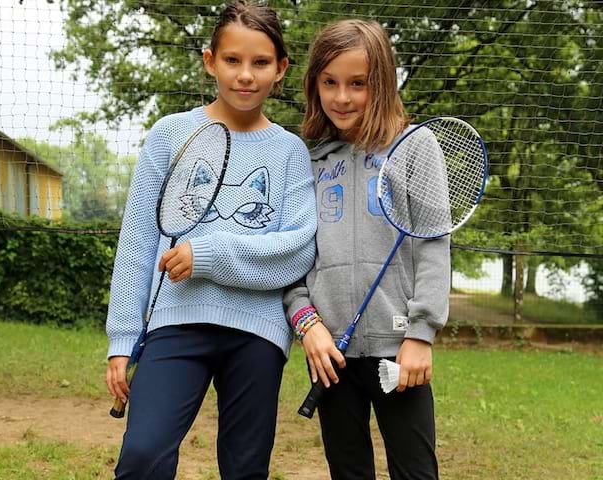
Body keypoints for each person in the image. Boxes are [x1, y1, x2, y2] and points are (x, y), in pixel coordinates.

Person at [105, 2, 317, 478]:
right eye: (232, 60)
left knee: (245, 469)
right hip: (175, 323)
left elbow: (299, 247)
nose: (246, 75)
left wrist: (208, 253)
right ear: (209, 60)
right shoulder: (170, 135)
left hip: (258, 332)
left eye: (261, 63)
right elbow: (138, 239)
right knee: (143, 454)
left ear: (281, 69)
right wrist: (123, 338)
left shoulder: (289, 152)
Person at [284, 19, 449, 480]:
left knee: (416, 472)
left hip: (400, 352)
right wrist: (308, 324)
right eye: (330, 83)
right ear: (314, 83)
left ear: (382, 82)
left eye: (358, 84)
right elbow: (293, 258)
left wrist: (420, 333)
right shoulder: (311, 160)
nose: (342, 97)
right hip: (329, 354)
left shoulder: (416, 147)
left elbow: (434, 243)